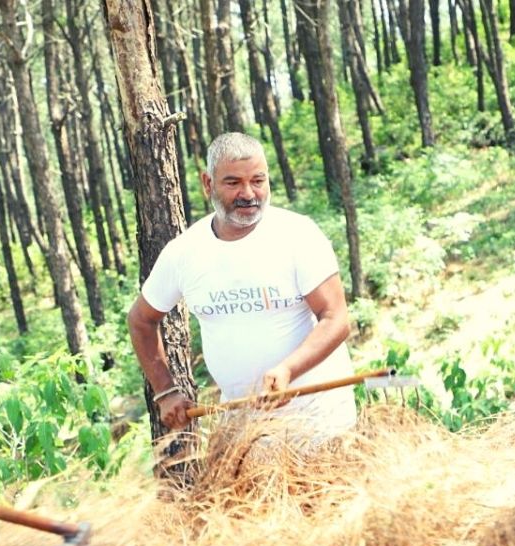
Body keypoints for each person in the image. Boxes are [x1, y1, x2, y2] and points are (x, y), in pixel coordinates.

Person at [127, 132, 357, 444]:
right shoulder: (184, 252)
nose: (248, 193)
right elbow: (141, 320)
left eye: (258, 181)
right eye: (233, 183)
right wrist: (165, 390)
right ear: (208, 183)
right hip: (244, 430)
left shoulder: (298, 235)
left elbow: (336, 318)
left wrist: (289, 369)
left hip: (319, 418)